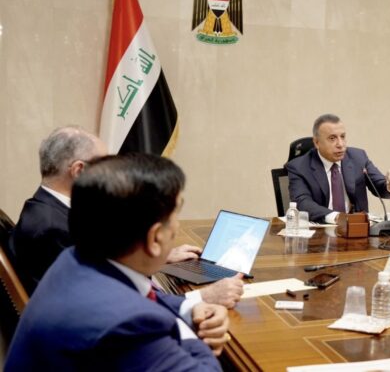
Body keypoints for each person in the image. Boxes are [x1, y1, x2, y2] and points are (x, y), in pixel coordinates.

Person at [6, 153, 228, 370]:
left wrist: (192, 308)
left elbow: (146, 296)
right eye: (175, 214)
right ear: (155, 238)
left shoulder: (75, 258)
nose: (177, 226)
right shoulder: (129, 325)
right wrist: (189, 331)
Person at [9, 126, 243, 307]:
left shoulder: (49, 210)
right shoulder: (53, 229)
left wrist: (155, 254)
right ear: (79, 170)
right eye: (105, 165)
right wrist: (202, 298)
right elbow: (115, 303)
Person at [286, 114, 390, 224]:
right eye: (332, 138)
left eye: (342, 137)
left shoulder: (358, 157)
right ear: (317, 142)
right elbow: (302, 202)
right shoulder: (298, 167)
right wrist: (338, 217)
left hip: (357, 228)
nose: (340, 144)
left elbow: (380, 186)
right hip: (321, 228)